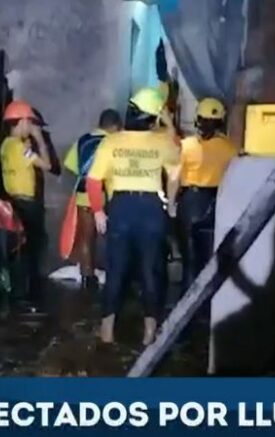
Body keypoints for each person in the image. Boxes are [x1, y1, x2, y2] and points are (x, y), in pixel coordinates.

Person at [86, 88, 180, 346]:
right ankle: (149, 333)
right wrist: (171, 203)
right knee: (151, 270)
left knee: (116, 270)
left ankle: (107, 332)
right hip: (151, 209)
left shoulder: (111, 142)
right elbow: (175, 170)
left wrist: (98, 210)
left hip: (121, 208)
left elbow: (93, 181)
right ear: (153, 118)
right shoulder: (162, 141)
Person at [174, 97, 237, 295]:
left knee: (189, 259)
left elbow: (174, 178)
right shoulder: (230, 149)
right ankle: (207, 303)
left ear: (197, 119)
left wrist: (171, 205)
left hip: (190, 201)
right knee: (210, 259)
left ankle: (187, 303)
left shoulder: (186, 146)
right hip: (216, 202)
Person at [63, 109, 123, 293]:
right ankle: (116, 278)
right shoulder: (115, 142)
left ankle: (87, 277)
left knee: (87, 240)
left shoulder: (82, 141)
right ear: (116, 126)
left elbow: (71, 166)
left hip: (85, 196)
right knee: (115, 240)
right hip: (111, 197)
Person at [0, 100, 53, 301]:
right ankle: (27, 296)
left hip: (12, 202)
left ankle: (17, 294)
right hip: (27, 205)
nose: (31, 127)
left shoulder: (6, 145)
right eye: (29, 123)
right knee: (30, 251)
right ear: (22, 121)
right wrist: (39, 139)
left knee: (18, 250)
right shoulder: (20, 147)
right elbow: (47, 165)